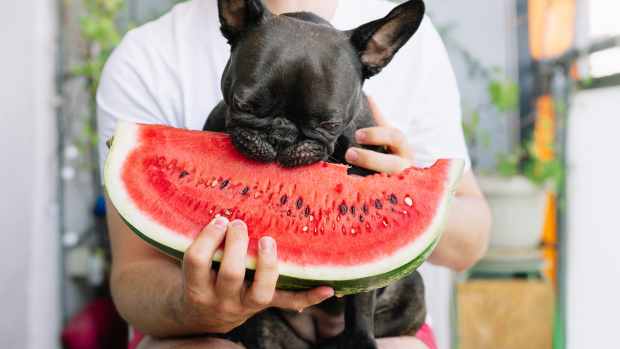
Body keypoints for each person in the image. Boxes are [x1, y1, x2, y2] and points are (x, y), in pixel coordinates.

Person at [97, 0, 492, 348]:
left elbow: (471, 243)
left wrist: (411, 193)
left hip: (373, 326)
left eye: (322, 123)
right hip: (204, 329)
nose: (282, 141)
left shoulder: (419, 51)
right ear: (231, 18)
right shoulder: (148, 57)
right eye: (251, 106)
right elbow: (133, 274)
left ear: (375, 60)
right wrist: (195, 305)